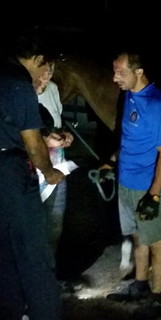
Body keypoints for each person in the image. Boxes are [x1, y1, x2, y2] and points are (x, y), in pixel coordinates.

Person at [0, 30, 65, 320]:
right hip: (11, 173)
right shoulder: (18, 83)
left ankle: (10, 309)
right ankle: (45, 312)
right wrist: (49, 172)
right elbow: (32, 143)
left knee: (4, 251)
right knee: (33, 251)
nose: (45, 74)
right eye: (45, 67)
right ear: (38, 59)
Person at [105, 51, 161, 316]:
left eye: (120, 73)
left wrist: (154, 195)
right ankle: (140, 285)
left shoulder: (157, 104)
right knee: (138, 237)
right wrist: (111, 161)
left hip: (146, 187)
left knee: (156, 240)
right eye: (114, 72)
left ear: (139, 72)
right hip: (126, 182)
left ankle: (158, 299)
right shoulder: (130, 96)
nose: (114, 78)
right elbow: (130, 140)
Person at [34, 70, 75, 254]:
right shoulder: (17, 93)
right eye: (41, 73)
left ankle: (50, 276)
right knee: (31, 228)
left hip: (57, 167)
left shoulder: (53, 89)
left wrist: (64, 135)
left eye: (50, 73)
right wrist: (45, 141)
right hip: (30, 173)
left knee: (54, 227)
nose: (46, 79)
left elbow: (56, 124)